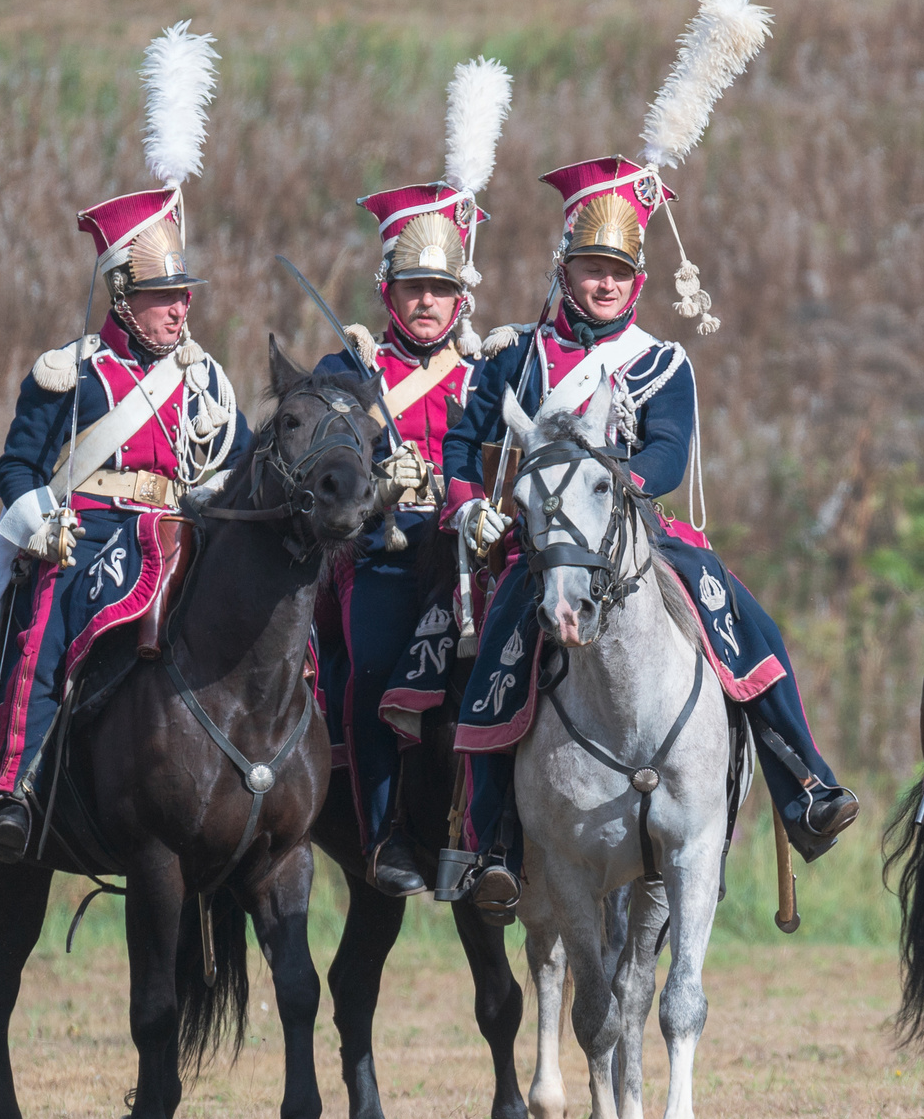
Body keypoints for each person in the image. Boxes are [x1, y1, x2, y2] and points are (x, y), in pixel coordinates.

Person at [443, 153, 859, 918]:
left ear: (637, 280)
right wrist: (470, 508)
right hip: (541, 543)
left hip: (636, 535)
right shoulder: (514, 355)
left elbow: (667, 453)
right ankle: (493, 845)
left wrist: (617, 486)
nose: (602, 284)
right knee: (497, 657)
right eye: (589, 267)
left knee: (746, 622)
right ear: (563, 268)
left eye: (617, 271)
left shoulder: (663, 363)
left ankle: (804, 783)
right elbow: (462, 447)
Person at [0, 25, 240, 865]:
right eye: (162, 295)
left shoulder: (208, 379)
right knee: (44, 625)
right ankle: (9, 787)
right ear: (122, 295)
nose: (178, 309)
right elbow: (14, 466)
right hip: (87, 533)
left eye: (183, 293)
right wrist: (38, 519)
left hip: (184, 534)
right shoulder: (71, 372)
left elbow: (235, 465)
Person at [312, 57, 511, 896]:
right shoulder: (347, 367)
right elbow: (319, 472)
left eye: (439, 289)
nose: (425, 303)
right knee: (370, 679)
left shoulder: (493, 369)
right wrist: (375, 485)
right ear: (387, 288)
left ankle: (508, 836)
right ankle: (387, 834)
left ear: (460, 296)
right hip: (388, 553)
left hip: (477, 555)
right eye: (411, 287)